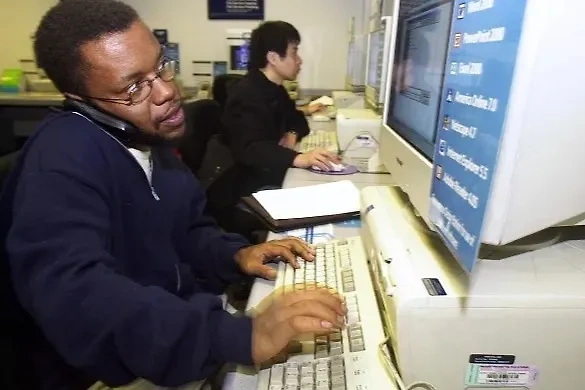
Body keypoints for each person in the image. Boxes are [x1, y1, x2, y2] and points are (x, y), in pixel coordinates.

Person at [0, 1, 346, 389]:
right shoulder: (61, 161)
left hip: (178, 326)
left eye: (162, 65)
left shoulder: (148, 139)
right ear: (79, 98)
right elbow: (79, 298)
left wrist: (232, 255)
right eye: (134, 87)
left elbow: (187, 230)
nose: (167, 91)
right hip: (105, 371)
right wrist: (241, 337)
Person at [213, 21, 340, 214]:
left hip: (264, 173)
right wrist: (299, 158)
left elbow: (297, 119)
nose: (299, 60)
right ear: (273, 57)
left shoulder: (275, 89)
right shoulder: (247, 94)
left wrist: (292, 133)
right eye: (294, 52)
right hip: (244, 187)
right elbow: (250, 149)